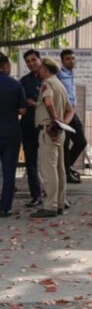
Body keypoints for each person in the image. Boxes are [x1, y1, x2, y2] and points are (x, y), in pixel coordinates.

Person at [30, 58, 73, 219]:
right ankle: (60, 203)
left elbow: (48, 102)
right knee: (60, 170)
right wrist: (62, 123)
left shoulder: (47, 83)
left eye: (40, 67)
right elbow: (70, 110)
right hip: (59, 132)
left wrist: (55, 120)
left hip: (48, 131)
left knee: (49, 170)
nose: (38, 70)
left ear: (46, 69)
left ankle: (50, 206)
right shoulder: (60, 85)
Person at [0, 53, 26, 218]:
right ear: (4, 66)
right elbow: (22, 110)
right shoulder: (16, 85)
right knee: (9, 172)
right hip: (11, 133)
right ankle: (5, 207)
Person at [57, 49, 87, 183]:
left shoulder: (71, 74)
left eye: (73, 58)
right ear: (62, 61)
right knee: (65, 143)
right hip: (63, 113)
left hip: (72, 112)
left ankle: (66, 168)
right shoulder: (59, 74)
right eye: (68, 58)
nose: (71, 61)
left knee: (81, 141)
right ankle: (66, 174)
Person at [19, 50, 43, 208]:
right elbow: (20, 102)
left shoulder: (49, 78)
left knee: (50, 162)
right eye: (28, 61)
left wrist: (36, 103)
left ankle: (56, 195)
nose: (31, 63)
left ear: (39, 60)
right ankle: (36, 195)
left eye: (33, 59)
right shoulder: (23, 81)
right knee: (31, 162)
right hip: (28, 125)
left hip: (46, 125)